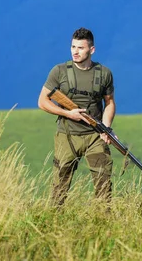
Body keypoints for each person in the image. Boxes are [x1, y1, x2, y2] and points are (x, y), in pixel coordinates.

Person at [38, 27, 116, 207]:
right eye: (73, 46)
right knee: (60, 185)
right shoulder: (59, 71)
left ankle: (104, 223)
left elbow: (109, 103)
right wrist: (67, 113)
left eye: (80, 48)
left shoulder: (104, 74)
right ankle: (53, 222)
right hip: (67, 135)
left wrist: (106, 128)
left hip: (94, 136)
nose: (75, 51)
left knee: (103, 184)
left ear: (92, 50)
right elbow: (42, 101)